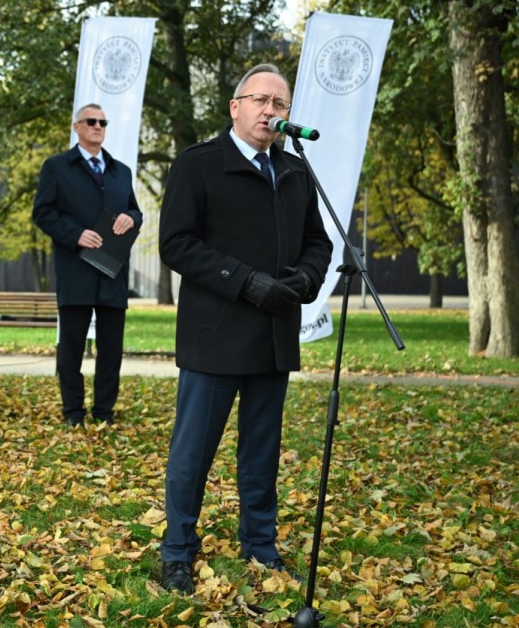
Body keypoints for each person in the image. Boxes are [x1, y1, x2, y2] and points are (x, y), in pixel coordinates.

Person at [156, 64, 333, 593]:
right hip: (215, 334)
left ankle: (259, 544)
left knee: (262, 449)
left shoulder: (296, 169)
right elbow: (177, 243)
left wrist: (304, 278)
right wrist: (246, 282)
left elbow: (319, 243)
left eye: (280, 104)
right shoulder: (200, 164)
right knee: (193, 452)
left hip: (274, 334)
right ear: (235, 107)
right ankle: (177, 551)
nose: (270, 112)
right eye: (261, 101)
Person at [33, 103, 143, 427]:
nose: (98, 126)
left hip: (112, 272)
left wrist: (130, 218)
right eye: (91, 121)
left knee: (111, 351)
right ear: (76, 127)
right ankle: (73, 412)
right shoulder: (56, 168)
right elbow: (43, 213)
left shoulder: (121, 171)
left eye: (103, 122)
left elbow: (136, 213)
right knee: (71, 349)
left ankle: (104, 412)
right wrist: (75, 234)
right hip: (76, 270)